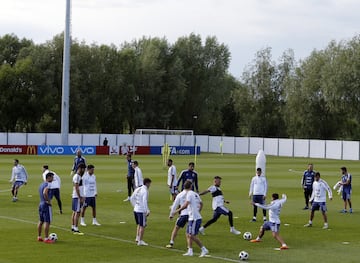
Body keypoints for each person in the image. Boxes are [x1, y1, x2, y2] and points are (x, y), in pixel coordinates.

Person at [172, 180, 209, 257]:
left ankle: (204, 249)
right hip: (192, 217)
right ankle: (190, 250)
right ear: (191, 186)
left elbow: (186, 205)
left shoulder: (189, 194)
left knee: (192, 235)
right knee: (188, 234)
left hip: (195, 218)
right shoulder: (195, 193)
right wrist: (198, 211)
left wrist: (176, 211)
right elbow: (201, 204)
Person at [130, 178, 152, 246]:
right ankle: (140, 241)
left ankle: (137, 238)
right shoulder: (145, 191)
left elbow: (131, 198)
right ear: (147, 183)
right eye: (150, 184)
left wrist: (135, 206)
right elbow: (144, 201)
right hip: (141, 210)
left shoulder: (138, 189)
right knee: (142, 225)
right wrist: (147, 210)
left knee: (139, 224)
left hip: (136, 210)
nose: (150, 185)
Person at [37, 172, 55, 243]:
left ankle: (39, 236)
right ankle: (47, 238)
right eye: (52, 177)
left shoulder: (41, 184)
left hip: (41, 203)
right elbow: (45, 192)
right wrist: (48, 201)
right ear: (49, 177)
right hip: (46, 205)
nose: (53, 179)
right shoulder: (48, 184)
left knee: (41, 221)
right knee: (47, 222)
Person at [71, 163, 86, 235]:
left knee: (74, 212)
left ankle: (73, 227)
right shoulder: (77, 177)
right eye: (84, 169)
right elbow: (76, 187)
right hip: (77, 197)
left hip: (75, 196)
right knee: (77, 212)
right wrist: (80, 197)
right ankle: (76, 229)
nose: (84, 170)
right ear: (81, 168)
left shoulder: (77, 176)